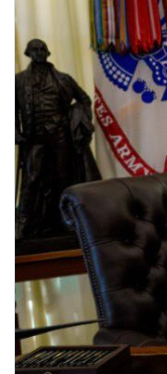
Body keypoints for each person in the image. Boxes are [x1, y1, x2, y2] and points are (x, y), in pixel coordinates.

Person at [16, 39, 100, 239]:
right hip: (35, 138)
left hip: (60, 136)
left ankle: (66, 219)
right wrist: (15, 131)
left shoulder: (63, 79)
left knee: (64, 177)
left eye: (42, 49)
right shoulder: (18, 81)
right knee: (32, 179)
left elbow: (84, 99)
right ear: (28, 53)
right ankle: (23, 222)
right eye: (35, 49)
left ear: (47, 52)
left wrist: (77, 118)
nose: (39, 52)